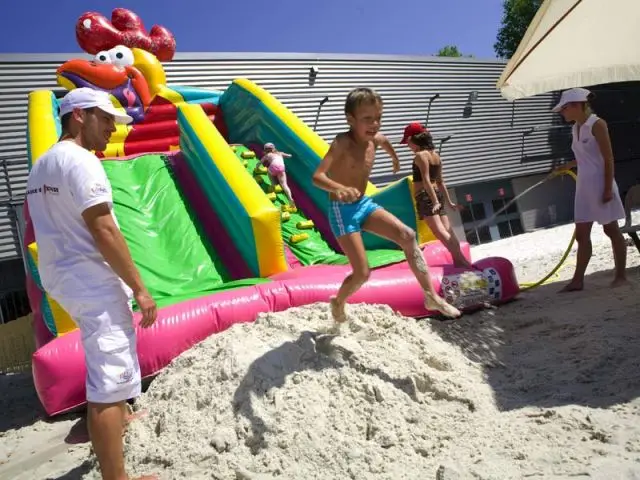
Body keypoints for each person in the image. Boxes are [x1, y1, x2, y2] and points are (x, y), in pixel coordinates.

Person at [25, 88, 159, 480]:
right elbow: (103, 228)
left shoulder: (42, 164)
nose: (111, 131)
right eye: (105, 120)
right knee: (111, 380)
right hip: (89, 275)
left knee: (102, 358)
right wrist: (139, 287)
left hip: (63, 274)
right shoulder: (81, 162)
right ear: (79, 116)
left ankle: (117, 419)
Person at [312, 87, 461, 322]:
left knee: (407, 235)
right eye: (367, 119)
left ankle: (430, 296)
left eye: (378, 118)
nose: (375, 124)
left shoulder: (377, 138)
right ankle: (338, 301)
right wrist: (338, 188)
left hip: (363, 203)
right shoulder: (342, 142)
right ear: (350, 120)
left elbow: (384, 141)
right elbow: (317, 176)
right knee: (362, 273)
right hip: (343, 211)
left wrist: (394, 157)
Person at [551, 87, 628, 292]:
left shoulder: (597, 124)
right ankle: (578, 281)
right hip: (583, 187)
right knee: (582, 234)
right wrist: (568, 165)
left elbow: (608, 157)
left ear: (577, 105)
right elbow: (586, 156)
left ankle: (620, 276)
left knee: (611, 229)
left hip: (601, 184)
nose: (562, 112)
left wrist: (607, 189)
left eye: (564, 108)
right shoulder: (575, 127)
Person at [400, 122, 472, 269]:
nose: (408, 146)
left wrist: (434, 201)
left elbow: (426, 180)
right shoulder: (436, 156)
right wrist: (449, 202)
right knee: (448, 231)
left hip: (426, 197)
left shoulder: (420, 156)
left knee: (439, 231)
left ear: (415, 140)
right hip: (436, 195)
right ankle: (461, 260)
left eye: (408, 142)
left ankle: (462, 262)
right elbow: (440, 182)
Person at [261, 142, 296, 208]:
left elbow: (260, 162)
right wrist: (290, 154)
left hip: (273, 167)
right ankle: (290, 198)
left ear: (265, 149)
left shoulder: (267, 155)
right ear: (274, 148)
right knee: (284, 185)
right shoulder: (280, 153)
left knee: (269, 171)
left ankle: (273, 185)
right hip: (282, 168)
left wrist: (256, 167)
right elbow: (289, 156)